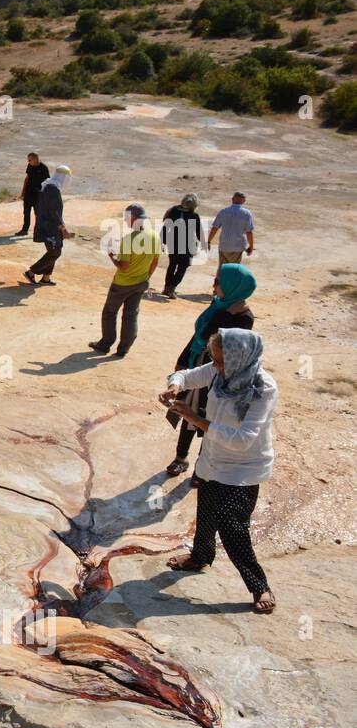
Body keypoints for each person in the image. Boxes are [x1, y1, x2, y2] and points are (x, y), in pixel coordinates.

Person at [160, 328, 277, 614]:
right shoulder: (217, 371)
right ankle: (200, 557)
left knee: (231, 525)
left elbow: (243, 439)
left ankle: (258, 584)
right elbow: (186, 376)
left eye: (222, 361)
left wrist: (194, 418)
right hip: (213, 458)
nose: (217, 366)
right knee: (207, 508)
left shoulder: (263, 388)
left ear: (240, 358)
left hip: (243, 467)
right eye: (215, 359)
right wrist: (175, 386)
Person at [166, 263, 256, 478]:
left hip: (218, 373)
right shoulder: (218, 305)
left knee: (210, 418)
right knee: (187, 411)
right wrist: (183, 360)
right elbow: (198, 335)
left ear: (233, 287)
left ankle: (202, 466)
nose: (214, 285)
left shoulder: (243, 318)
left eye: (218, 282)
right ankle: (181, 457)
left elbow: (228, 351)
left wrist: (226, 313)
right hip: (198, 364)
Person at [89, 203, 161, 357]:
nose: (126, 221)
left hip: (122, 284)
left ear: (134, 218)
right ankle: (124, 348)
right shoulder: (155, 236)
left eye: (127, 218)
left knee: (109, 312)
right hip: (141, 283)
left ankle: (105, 344)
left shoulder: (129, 239)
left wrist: (112, 258)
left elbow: (124, 266)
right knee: (131, 315)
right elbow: (155, 261)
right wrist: (146, 277)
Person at [21, 164, 74, 285]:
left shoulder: (49, 185)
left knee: (54, 250)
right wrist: (63, 228)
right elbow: (54, 211)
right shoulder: (52, 189)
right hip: (50, 227)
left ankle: (46, 278)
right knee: (55, 252)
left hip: (50, 225)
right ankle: (31, 272)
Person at [160, 192, 204, 299]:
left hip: (173, 242)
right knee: (183, 266)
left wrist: (163, 240)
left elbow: (166, 226)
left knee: (173, 264)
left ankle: (167, 287)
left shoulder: (173, 210)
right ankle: (171, 288)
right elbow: (199, 231)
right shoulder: (194, 215)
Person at [207, 191, 254, 284]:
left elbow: (215, 227)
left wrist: (208, 241)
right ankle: (229, 289)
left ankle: (217, 289)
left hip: (224, 245)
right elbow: (249, 232)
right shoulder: (246, 213)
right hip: (238, 246)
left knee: (222, 267)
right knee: (234, 269)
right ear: (244, 201)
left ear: (232, 199)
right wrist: (251, 246)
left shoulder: (224, 211)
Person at [14, 152, 49, 236]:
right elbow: (27, 179)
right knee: (26, 213)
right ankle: (24, 230)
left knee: (38, 214)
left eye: (30, 160)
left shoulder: (44, 168)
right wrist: (23, 192)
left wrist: (45, 196)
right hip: (28, 193)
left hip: (38, 195)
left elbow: (47, 182)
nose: (28, 161)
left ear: (36, 159)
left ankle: (39, 231)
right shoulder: (30, 166)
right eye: (28, 160)